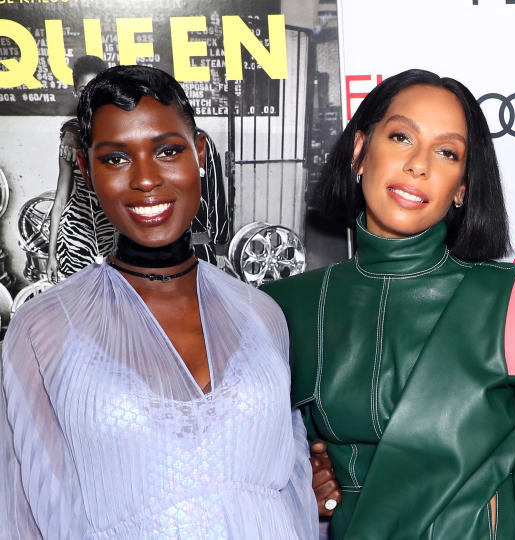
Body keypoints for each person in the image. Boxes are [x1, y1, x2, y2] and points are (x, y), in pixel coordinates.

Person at [262, 68, 515, 540]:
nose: (419, 164)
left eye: (447, 152)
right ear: (358, 152)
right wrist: (301, 480)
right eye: (400, 137)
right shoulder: (281, 309)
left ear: (461, 188)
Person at [0, 65, 318, 538]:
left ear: (200, 154)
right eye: (115, 159)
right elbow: (24, 508)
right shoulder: (42, 329)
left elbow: (293, 486)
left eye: (168, 150)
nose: (146, 179)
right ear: (86, 170)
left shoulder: (261, 314)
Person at [47, 55, 115, 282]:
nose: (89, 95)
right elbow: (60, 201)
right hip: (76, 240)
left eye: (96, 88)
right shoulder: (70, 140)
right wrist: (51, 255)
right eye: (84, 89)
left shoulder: (120, 133)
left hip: (112, 237)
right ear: (76, 92)